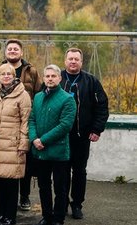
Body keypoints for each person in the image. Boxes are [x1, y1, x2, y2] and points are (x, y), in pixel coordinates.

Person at [60, 48, 108, 220]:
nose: (73, 62)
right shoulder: (57, 79)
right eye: (70, 59)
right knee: (62, 171)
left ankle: (77, 204)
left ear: (81, 62)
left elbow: (102, 106)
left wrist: (96, 129)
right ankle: (62, 202)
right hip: (60, 137)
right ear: (65, 61)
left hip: (82, 136)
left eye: (76, 59)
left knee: (79, 171)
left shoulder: (91, 81)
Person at [29, 65, 76, 225]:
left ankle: (58, 219)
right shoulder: (37, 97)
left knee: (60, 189)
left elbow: (65, 125)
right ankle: (47, 216)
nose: (50, 78)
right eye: (47, 76)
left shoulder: (67, 99)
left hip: (58, 152)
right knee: (43, 187)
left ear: (59, 78)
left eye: (53, 76)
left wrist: (43, 140)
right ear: (43, 78)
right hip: (40, 152)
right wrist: (34, 138)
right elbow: (32, 120)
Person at [2, 39, 42, 211]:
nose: (12, 51)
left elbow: (39, 93)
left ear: (21, 52)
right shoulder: (1, 69)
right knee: (7, 161)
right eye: (9, 49)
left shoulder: (31, 71)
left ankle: (24, 196)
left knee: (24, 159)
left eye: (15, 49)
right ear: (5, 52)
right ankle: (7, 198)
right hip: (7, 120)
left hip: (26, 119)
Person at [0, 63, 32, 225]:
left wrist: (23, 142)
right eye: (2, 74)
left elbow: (26, 121)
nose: (6, 76)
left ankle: (10, 216)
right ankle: (1, 214)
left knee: (12, 182)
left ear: (14, 75)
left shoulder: (22, 95)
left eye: (9, 73)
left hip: (13, 144)